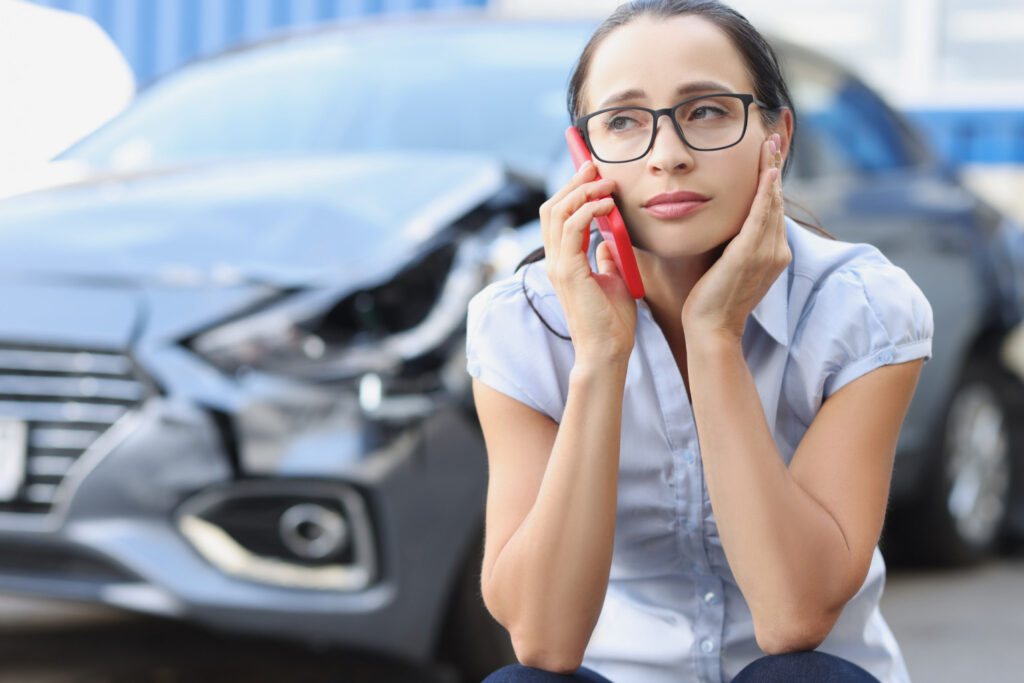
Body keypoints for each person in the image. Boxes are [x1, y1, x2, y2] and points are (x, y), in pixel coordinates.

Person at [466, 1, 933, 681]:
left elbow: (793, 617)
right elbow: (543, 639)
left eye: (707, 111)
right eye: (623, 121)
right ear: (584, 155)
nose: (669, 156)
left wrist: (716, 336)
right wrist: (598, 360)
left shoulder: (859, 306)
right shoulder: (522, 323)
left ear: (776, 137)